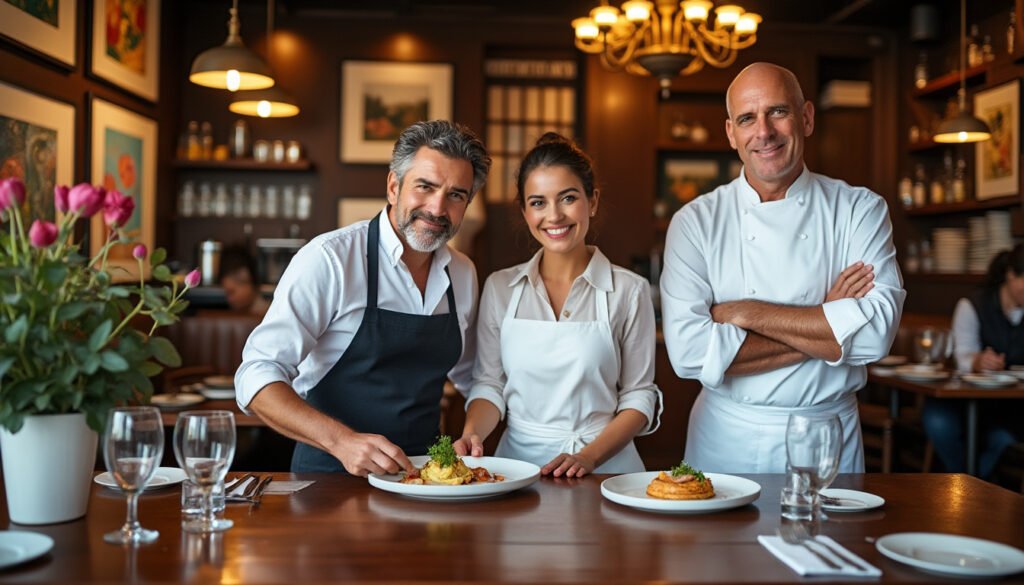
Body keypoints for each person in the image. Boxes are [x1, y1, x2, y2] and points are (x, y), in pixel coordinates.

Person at [659, 62, 906, 473]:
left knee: (830, 540)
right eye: (747, 118)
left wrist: (746, 313)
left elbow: (875, 336)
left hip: (829, 438)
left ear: (806, 118)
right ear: (730, 134)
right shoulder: (695, 222)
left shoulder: (859, 209)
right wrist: (827, 324)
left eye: (778, 111)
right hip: (726, 439)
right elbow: (687, 354)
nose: (764, 132)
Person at [235, 120, 491, 475]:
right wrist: (341, 442)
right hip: (328, 480)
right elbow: (256, 376)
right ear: (393, 186)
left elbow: (477, 376)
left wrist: (473, 433)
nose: (437, 208)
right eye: (425, 187)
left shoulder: (463, 273)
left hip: (424, 480)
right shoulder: (330, 259)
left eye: (456, 195)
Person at [454, 133, 662, 477]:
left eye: (567, 198)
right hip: (517, 471)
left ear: (592, 201)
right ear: (524, 211)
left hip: (606, 469)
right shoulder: (500, 287)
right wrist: (472, 431)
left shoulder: (629, 290)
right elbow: (490, 384)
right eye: (538, 202)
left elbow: (639, 397)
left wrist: (589, 458)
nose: (554, 215)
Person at [923, 245, 1023, 478]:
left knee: (1003, 437)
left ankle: (969, 485)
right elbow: (962, 355)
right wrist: (978, 361)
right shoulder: (972, 306)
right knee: (938, 419)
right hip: (967, 401)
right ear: (1011, 275)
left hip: (1013, 407)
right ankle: (966, 481)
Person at [218, 245, 269, 316]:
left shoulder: (269, 316)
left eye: (231, 292)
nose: (229, 300)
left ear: (245, 275)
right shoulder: (237, 317)